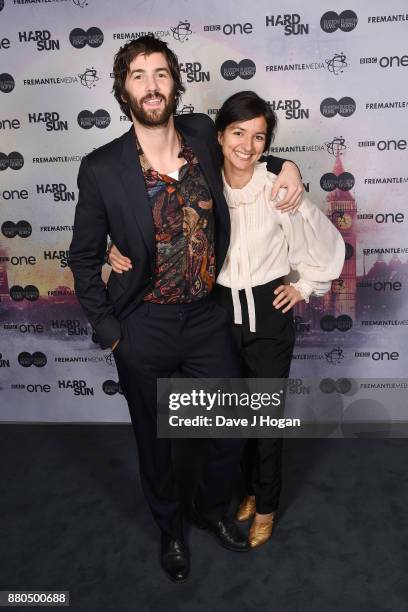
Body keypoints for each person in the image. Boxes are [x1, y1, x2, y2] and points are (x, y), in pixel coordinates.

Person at [69, 34, 303, 584]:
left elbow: (248, 148)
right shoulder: (101, 168)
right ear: (123, 90)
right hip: (142, 322)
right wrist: (110, 330)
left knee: (227, 427)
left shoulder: (201, 131)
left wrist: (287, 164)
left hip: (205, 317)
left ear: (176, 82)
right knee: (155, 443)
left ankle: (207, 508)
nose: (151, 86)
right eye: (138, 75)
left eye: (160, 74)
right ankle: (171, 529)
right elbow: (82, 259)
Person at [109, 90, 345, 551]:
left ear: (267, 144)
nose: (248, 144)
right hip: (215, 312)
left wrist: (306, 286)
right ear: (219, 137)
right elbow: (160, 228)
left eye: (259, 137)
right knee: (231, 416)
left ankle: (268, 504)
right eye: (238, 132)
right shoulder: (204, 181)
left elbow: (322, 242)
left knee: (265, 419)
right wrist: (120, 252)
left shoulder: (278, 186)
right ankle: (249, 489)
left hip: (267, 315)